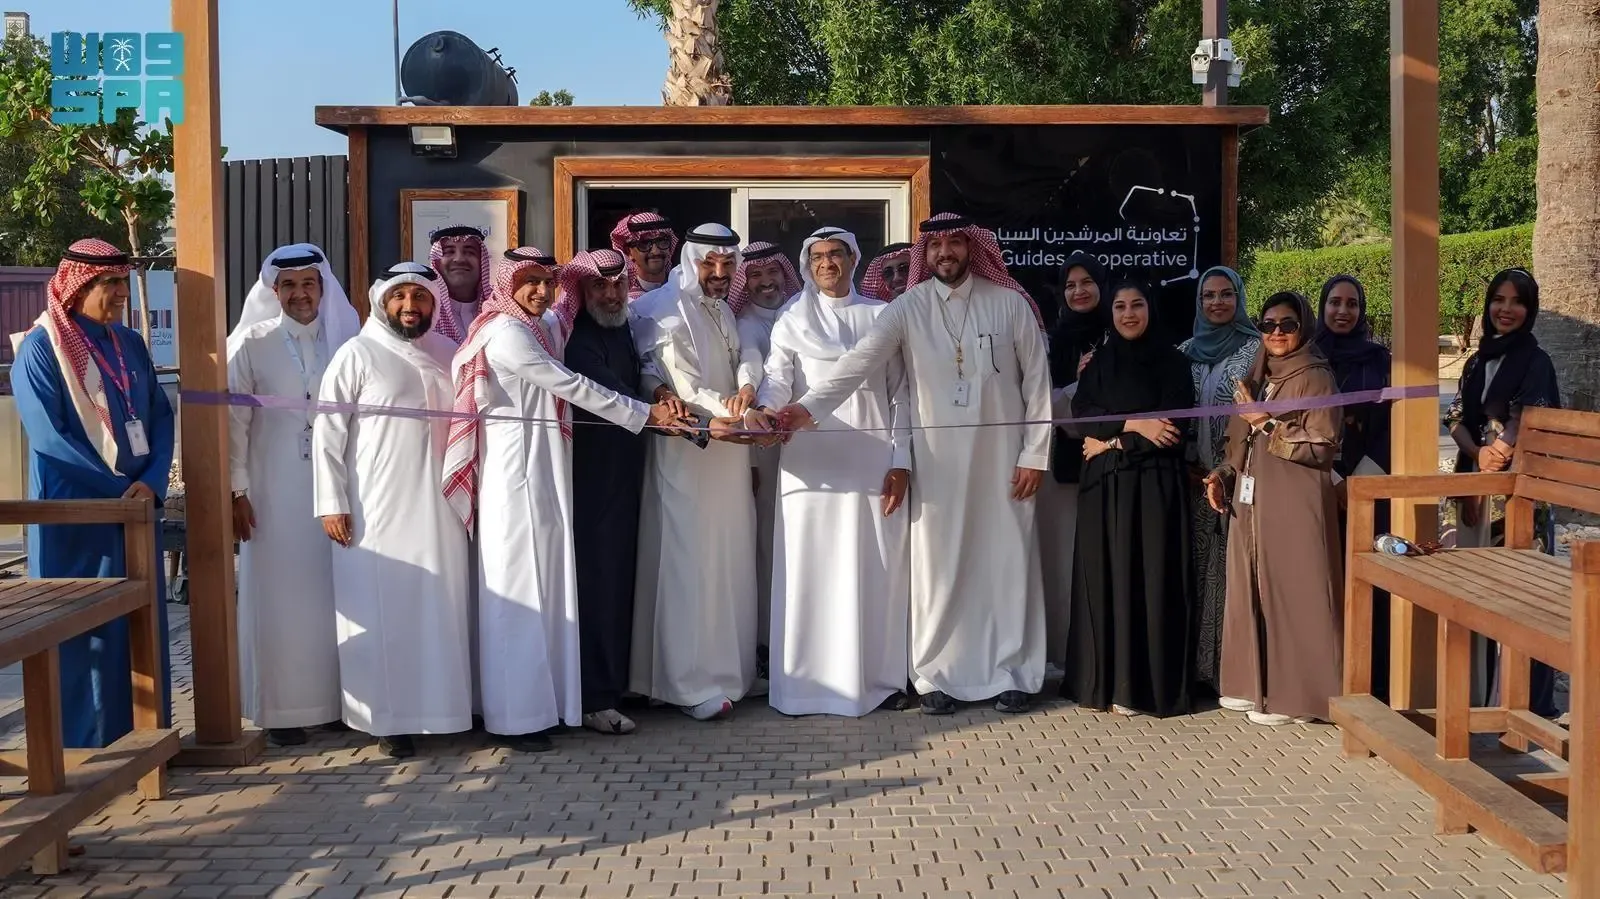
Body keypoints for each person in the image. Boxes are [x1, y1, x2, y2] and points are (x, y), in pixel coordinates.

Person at [775, 213, 1051, 715]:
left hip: (1004, 462)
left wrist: (1035, 454)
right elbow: (857, 363)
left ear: (972, 246)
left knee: (1005, 562)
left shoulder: (1010, 305)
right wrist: (807, 408)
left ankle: (1011, 672)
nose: (945, 251)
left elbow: (1037, 384)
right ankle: (936, 676)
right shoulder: (906, 308)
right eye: (937, 243)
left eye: (955, 242)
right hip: (936, 464)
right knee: (937, 568)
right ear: (927, 251)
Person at [442, 247, 685, 751]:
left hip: (546, 470)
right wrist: (644, 413)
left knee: (548, 589)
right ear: (508, 284)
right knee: (517, 594)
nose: (539, 291)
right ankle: (514, 718)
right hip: (514, 476)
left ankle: (543, 707)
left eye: (546, 282)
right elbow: (571, 384)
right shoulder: (506, 333)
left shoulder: (542, 327)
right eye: (528, 282)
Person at [12, 238, 173, 749]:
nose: (120, 292)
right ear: (76, 287)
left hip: (135, 507)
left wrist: (150, 481)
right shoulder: (41, 348)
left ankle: (145, 743)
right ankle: (85, 749)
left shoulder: (129, 343)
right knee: (82, 633)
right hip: (75, 514)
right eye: (108, 284)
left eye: (123, 281)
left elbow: (161, 415)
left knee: (138, 627)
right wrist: (117, 490)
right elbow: (50, 439)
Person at [313, 262, 473, 759]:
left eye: (421, 297)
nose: (411, 307)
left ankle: (443, 710)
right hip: (374, 512)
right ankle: (386, 719)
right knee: (383, 613)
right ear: (382, 302)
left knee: (439, 610)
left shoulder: (450, 352)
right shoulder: (356, 355)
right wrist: (331, 503)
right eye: (400, 297)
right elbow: (327, 435)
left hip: (442, 512)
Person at [757, 227, 912, 717]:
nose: (827, 263)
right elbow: (777, 380)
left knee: (875, 568)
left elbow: (900, 394)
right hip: (809, 463)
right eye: (818, 256)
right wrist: (765, 412)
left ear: (852, 259)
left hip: (870, 459)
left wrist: (901, 459)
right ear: (808, 264)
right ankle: (806, 688)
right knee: (811, 569)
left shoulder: (881, 314)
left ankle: (880, 682)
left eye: (836, 255)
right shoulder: (790, 318)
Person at [226, 243, 360, 747]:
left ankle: (330, 705)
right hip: (270, 489)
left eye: (309, 284)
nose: (300, 294)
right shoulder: (249, 344)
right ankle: (280, 711)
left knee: (332, 595)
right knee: (277, 598)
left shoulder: (347, 341)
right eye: (289, 285)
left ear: (322, 289)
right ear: (273, 291)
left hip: (335, 491)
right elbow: (234, 425)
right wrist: (237, 492)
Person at [630, 224, 766, 720]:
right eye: (710, 264)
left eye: (728, 265)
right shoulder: (659, 309)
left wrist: (749, 388)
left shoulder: (724, 308)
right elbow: (681, 384)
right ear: (690, 261)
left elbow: (744, 355)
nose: (719, 273)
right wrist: (739, 415)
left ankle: (731, 674)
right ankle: (685, 685)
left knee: (728, 562)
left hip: (729, 451)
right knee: (687, 566)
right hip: (687, 451)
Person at [559, 249, 691, 734]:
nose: (611, 294)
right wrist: (656, 414)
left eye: (617, 286)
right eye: (600, 287)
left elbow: (643, 377)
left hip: (630, 473)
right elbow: (606, 388)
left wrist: (661, 397)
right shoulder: (580, 339)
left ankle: (621, 685)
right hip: (595, 482)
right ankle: (595, 696)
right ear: (582, 291)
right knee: (600, 582)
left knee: (625, 580)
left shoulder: (626, 329)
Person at [1203, 290, 1343, 726]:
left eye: (1288, 325)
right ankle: (1255, 685)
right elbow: (1238, 438)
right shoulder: (1259, 372)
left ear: (1304, 327)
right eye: (1268, 325)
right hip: (1254, 499)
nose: (1277, 333)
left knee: (1295, 591)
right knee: (1252, 587)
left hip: (1294, 499)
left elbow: (1322, 444)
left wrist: (1265, 421)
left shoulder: (1315, 376)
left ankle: (1303, 697)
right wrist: (1224, 474)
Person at [1064, 279, 1195, 717]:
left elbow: (1174, 432)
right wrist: (1138, 427)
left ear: (1150, 310)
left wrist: (1114, 441)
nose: (1128, 314)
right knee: (1108, 580)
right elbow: (1084, 419)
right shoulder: (1099, 364)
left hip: (1155, 490)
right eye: (1119, 306)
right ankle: (1106, 684)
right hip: (1104, 491)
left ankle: (1143, 688)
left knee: (1148, 579)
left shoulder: (1174, 364)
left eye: (1137, 305)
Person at [1443, 267, 1562, 716]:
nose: (1505, 309)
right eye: (1498, 300)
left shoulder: (1537, 361)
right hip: (1475, 485)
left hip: (1519, 495)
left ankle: (1524, 702)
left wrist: (1502, 448)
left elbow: (1529, 414)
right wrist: (1479, 453)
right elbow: (1455, 415)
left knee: (1521, 594)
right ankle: (1479, 696)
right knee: (1477, 590)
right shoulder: (1477, 360)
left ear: (1529, 309)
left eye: (1516, 302)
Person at [1178, 266, 1261, 703]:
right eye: (1208, 295)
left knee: (1233, 574)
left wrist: (1230, 469)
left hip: (1237, 480)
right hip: (1191, 481)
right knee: (1196, 572)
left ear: (1238, 298)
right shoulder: (1184, 351)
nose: (1217, 303)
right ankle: (1195, 671)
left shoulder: (1256, 350)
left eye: (1226, 294)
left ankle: (1230, 672)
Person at [727, 240, 803, 689]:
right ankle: (767, 645)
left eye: (773, 273)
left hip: (807, 440)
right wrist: (750, 390)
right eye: (754, 276)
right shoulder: (744, 323)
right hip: (762, 447)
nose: (766, 282)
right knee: (767, 545)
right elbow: (752, 360)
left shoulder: (799, 313)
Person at [1315, 274, 1394, 703]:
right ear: (1322, 307)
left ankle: (1372, 681)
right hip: (1319, 485)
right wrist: (1332, 477)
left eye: (1351, 304)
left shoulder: (1379, 360)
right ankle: (1328, 678)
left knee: (1367, 582)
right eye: (1334, 303)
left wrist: (1359, 480)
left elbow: (1390, 425)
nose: (1343, 311)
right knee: (1322, 579)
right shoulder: (1308, 358)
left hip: (1367, 488)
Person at [1039, 251, 1108, 678]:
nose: (1079, 291)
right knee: (1063, 563)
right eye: (1070, 285)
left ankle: (1102, 652)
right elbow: (1039, 403)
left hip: (1113, 465)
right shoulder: (1052, 341)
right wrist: (1079, 385)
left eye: (1086, 282)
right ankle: (1064, 657)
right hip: (1064, 468)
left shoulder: (1121, 330)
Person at [427, 224, 493, 343]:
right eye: (449, 252)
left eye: (469, 252)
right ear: (436, 263)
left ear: (482, 261)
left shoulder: (498, 305)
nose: (459, 259)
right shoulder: (425, 311)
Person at [611, 212, 679, 300]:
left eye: (662, 241)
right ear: (629, 252)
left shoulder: (684, 288)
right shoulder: (624, 301)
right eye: (644, 244)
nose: (656, 251)